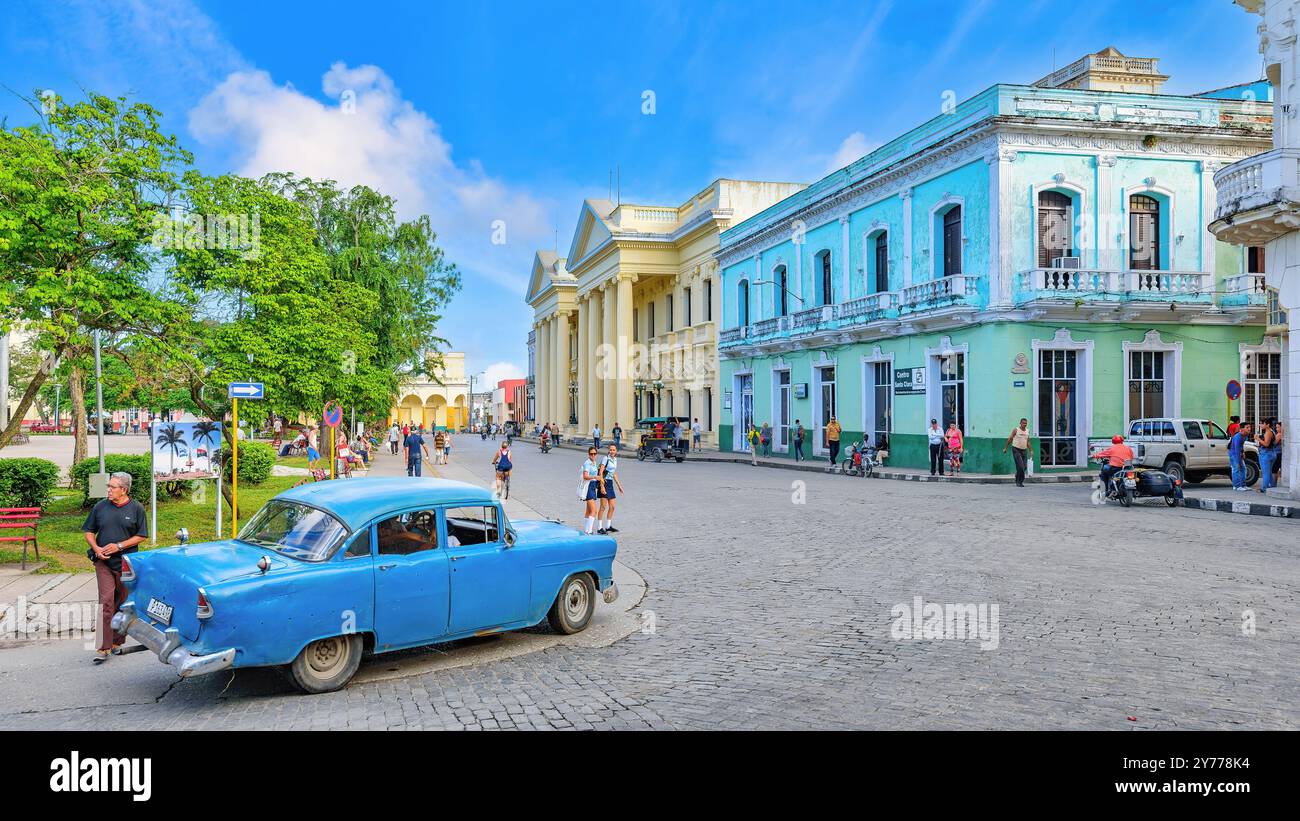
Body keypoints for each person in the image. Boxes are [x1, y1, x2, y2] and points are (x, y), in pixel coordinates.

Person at [83, 472, 148, 665]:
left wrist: (119, 546)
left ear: (124, 490)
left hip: (125, 564)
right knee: (106, 602)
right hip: (103, 563)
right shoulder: (100, 506)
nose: (108, 490)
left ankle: (117, 642)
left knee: (121, 603)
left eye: (112, 487)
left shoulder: (136, 509)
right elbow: (89, 531)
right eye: (108, 486)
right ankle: (103, 647)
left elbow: (141, 535)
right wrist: (96, 549)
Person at [597, 444, 625, 535]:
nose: (612, 451)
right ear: (609, 451)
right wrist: (602, 486)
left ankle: (608, 526)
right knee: (603, 507)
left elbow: (613, 473)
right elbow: (601, 472)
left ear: (616, 451)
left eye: (614, 450)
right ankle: (599, 527)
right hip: (604, 482)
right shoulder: (606, 459)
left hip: (610, 483)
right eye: (611, 450)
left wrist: (619, 485)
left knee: (612, 507)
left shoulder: (615, 460)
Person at [1003, 418, 1031, 487]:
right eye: (1023, 423)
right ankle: (1019, 482)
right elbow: (1010, 438)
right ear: (1020, 423)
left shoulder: (1027, 431)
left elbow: (1028, 441)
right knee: (1020, 466)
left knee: (1024, 467)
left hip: (1024, 450)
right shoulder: (1016, 430)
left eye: (1026, 423)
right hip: (1016, 449)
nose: (1025, 424)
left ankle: (1017, 474)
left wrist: (1031, 450)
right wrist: (1005, 447)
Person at [580, 447, 602, 535]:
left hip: (592, 486)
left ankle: (586, 530)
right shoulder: (587, 463)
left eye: (594, 454)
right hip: (588, 486)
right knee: (594, 511)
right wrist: (595, 477)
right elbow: (585, 476)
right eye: (591, 454)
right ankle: (589, 531)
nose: (593, 455)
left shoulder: (594, 462)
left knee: (588, 511)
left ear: (596, 454)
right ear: (588, 454)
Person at [1257, 418, 1281, 493]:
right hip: (1270, 453)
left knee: (1266, 473)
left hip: (1266, 454)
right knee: (1269, 472)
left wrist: (1258, 438)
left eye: (1262, 423)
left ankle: (1264, 489)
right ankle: (1273, 487)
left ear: (1267, 425)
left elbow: (1266, 444)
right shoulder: (1271, 432)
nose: (1260, 425)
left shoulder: (1268, 432)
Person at [1229, 421, 1252, 491]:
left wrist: (1243, 452)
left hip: (1239, 453)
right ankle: (1236, 486)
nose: (1249, 429)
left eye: (1249, 427)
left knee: (1243, 469)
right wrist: (1238, 460)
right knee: (1236, 469)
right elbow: (1236, 450)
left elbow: (1241, 446)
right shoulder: (1237, 437)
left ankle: (1243, 485)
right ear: (1241, 429)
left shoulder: (1245, 435)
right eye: (1247, 427)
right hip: (1234, 454)